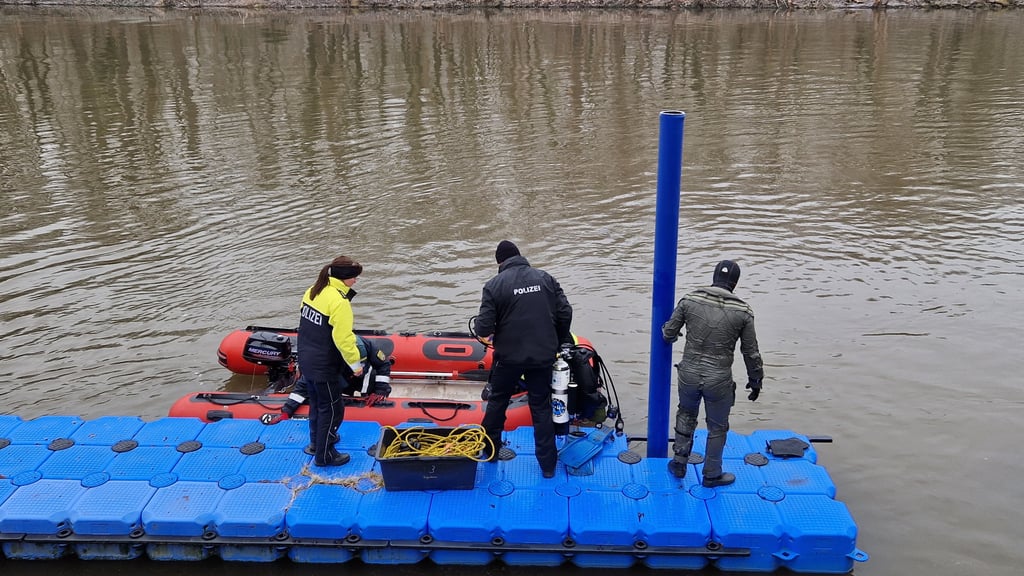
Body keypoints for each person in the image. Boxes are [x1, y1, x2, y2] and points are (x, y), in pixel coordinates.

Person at [474, 240, 573, 479]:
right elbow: (565, 312)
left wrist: (482, 325)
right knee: (540, 407)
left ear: (500, 262)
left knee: (497, 402)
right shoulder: (545, 278)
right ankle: (548, 465)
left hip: (508, 358)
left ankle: (490, 451)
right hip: (542, 355)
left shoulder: (494, 285)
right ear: (520, 256)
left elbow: (483, 327)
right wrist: (559, 340)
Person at [661, 259, 764, 487]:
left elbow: (668, 333)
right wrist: (756, 380)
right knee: (717, 426)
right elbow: (751, 352)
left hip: (688, 372)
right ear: (735, 282)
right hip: (719, 378)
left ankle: (679, 463)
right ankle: (712, 474)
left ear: (714, 276)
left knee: (686, 414)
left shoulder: (690, 300)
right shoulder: (744, 312)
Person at [295, 255, 365, 467]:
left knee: (316, 404)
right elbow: (343, 339)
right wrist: (356, 365)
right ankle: (325, 455)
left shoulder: (314, 291)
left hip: (307, 359)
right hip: (324, 365)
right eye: (354, 278)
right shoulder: (339, 302)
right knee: (332, 410)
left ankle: (317, 443)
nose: (356, 281)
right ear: (345, 278)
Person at [277, 333, 393, 421]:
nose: (359, 367)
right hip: (340, 377)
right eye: (357, 364)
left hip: (363, 378)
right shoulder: (328, 359)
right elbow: (304, 384)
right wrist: (287, 410)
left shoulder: (368, 346)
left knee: (370, 379)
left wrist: (380, 390)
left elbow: (384, 363)